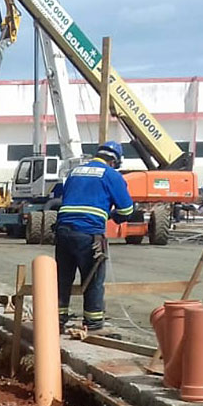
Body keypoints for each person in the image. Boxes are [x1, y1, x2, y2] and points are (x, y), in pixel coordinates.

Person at [53, 140, 135, 332]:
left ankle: (56, 319)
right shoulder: (111, 175)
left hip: (63, 232)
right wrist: (111, 215)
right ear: (114, 161)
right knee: (93, 279)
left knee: (63, 279)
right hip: (89, 234)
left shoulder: (74, 172)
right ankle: (93, 322)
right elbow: (127, 209)